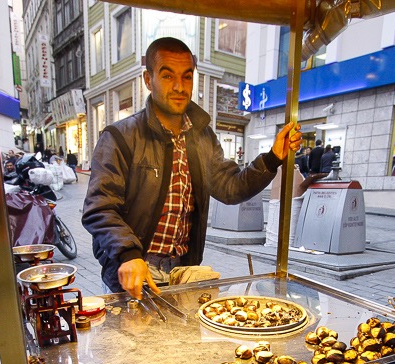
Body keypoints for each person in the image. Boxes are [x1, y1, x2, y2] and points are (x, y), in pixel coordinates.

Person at [82, 37, 302, 299]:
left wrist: (273, 158)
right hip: (135, 274)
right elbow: (100, 207)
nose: (179, 86)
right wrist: (127, 254)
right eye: (167, 76)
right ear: (148, 80)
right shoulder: (120, 136)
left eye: (187, 77)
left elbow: (230, 187)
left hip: (184, 274)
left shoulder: (202, 136)